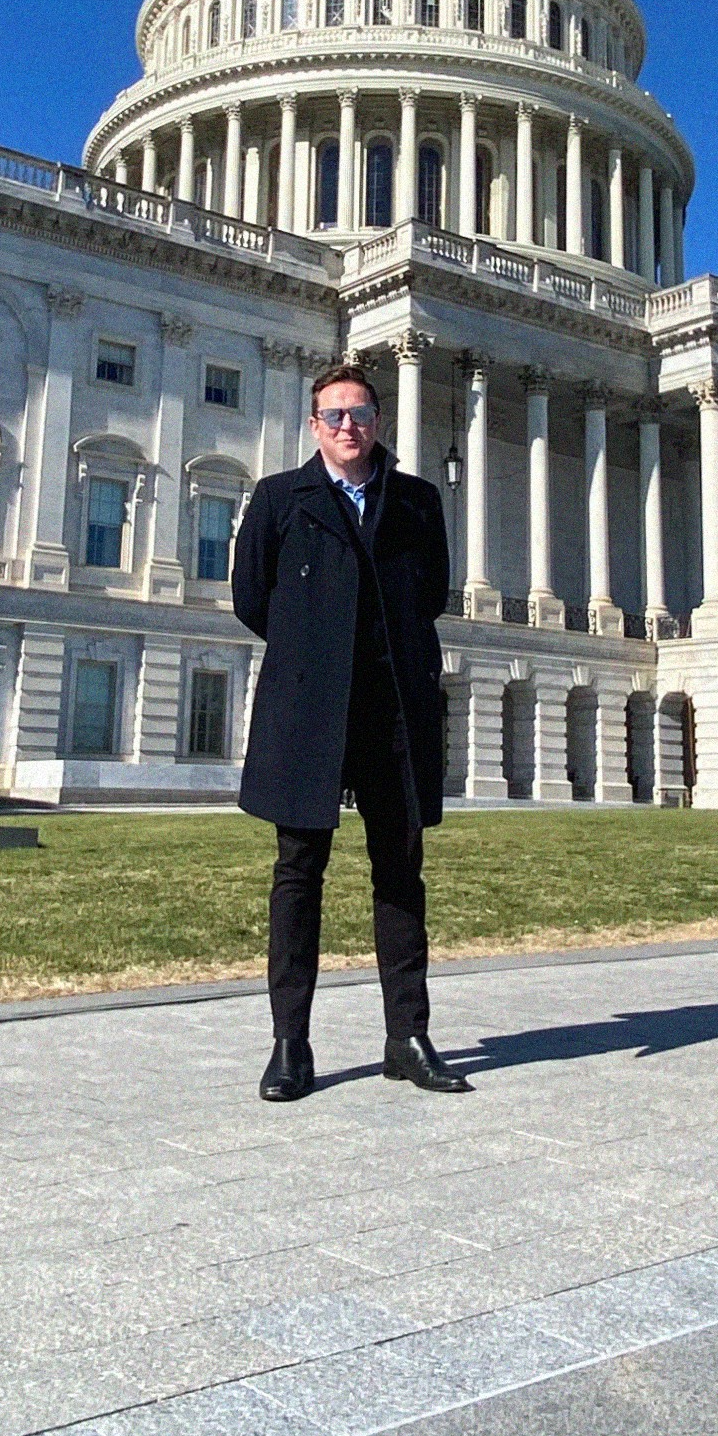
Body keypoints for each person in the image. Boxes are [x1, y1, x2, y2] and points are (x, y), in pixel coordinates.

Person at [231, 361, 469, 1101]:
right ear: (314, 426)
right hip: (309, 710)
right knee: (298, 877)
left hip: (393, 709)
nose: (347, 427)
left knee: (400, 876)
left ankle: (407, 1036)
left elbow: (431, 592)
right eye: (333, 416)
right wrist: (318, 653)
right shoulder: (278, 499)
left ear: (378, 421)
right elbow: (250, 597)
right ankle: (289, 1044)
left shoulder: (418, 503)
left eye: (359, 414)